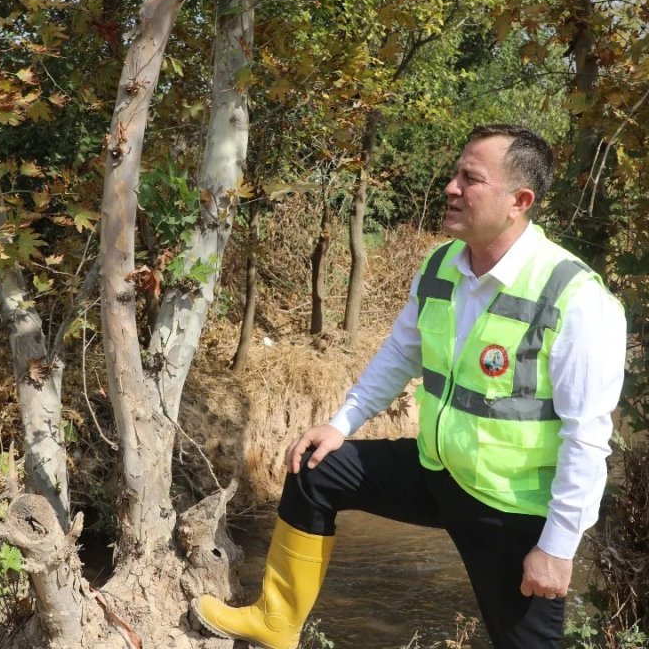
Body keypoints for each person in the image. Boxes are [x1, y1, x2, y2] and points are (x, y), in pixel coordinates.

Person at [193, 124, 626, 649]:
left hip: (511, 512)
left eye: (471, 178)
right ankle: (276, 622)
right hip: (436, 470)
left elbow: (586, 438)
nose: (451, 187)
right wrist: (340, 424)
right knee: (315, 469)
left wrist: (557, 547)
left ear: (520, 200)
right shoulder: (441, 265)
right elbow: (400, 355)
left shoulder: (576, 298)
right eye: (454, 173)